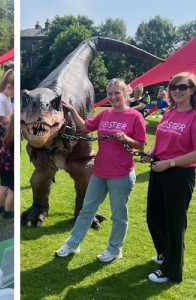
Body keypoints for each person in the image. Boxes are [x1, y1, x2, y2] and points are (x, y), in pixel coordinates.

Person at [55, 78, 147, 262]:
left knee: (119, 215)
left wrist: (127, 139)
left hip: (121, 173)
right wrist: (72, 111)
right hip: (100, 171)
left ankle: (114, 249)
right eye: (110, 93)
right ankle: (73, 244)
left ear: (126, 93)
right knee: (87, 210)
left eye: (116, 93)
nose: (113, 97)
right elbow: (85, 127)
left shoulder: (134, 116)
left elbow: (141, 145)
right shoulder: (105, 114)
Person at [144, 72, 196, 283]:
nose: (176, 91)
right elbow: (160, 138)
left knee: (174, 222)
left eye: (182, 87)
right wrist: (151, 151)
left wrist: (171, 163)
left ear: (192, 90)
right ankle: (166, 252)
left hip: (179, 173)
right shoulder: (169, 112)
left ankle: (171, 271)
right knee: (154, 217)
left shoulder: (194, 116)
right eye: (173, 86)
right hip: (159, 168)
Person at [0, 113, 14, 219]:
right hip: (11, 167)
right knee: (12, 190)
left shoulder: (3, 131)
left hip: (2, 164)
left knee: (3, 186)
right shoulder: (14, 134)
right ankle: (7, 212)